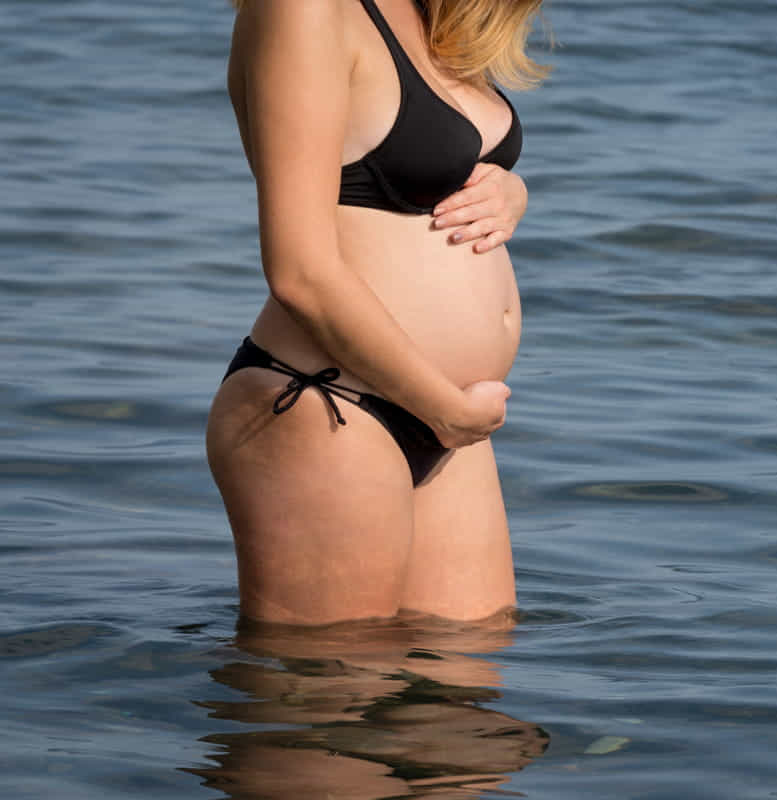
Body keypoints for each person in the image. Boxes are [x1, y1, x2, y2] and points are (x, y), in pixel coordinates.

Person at [206, 0, 547, 626]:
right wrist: (444, 409)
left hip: (446, 416)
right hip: (329, 405)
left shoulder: (431, 13)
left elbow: (430, 157)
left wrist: (508, 187)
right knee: (323, 700)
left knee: (464, 696)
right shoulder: (305, 8)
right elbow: (299, 271)